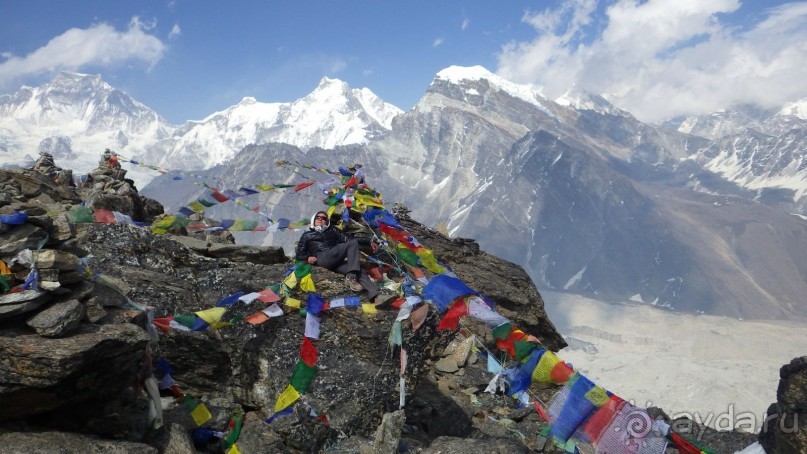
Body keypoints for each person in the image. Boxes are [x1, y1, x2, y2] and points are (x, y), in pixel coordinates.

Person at [295, 211, 390, 304]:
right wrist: (307, 257)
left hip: (335, 261)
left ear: (327, 221)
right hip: (322, 258)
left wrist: (368, 241)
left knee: (360, 270)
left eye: (324, 218)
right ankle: (351, 276)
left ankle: (376, 296)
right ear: (313, 220)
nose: (320, 219)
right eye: (318, 217)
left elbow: (349, 239)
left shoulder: (332, 230)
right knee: (352, 247)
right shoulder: (307, 235)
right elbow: (300, 253)